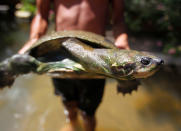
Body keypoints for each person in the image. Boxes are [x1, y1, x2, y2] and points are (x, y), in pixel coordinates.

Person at [19, 0, 130, 131]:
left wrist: (121, 39)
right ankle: (72, 124)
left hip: (95, 57)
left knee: (89, 112)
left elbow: (118, 19)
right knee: (68, 103)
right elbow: (42, 15)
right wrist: (35, 38)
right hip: (61, 53)